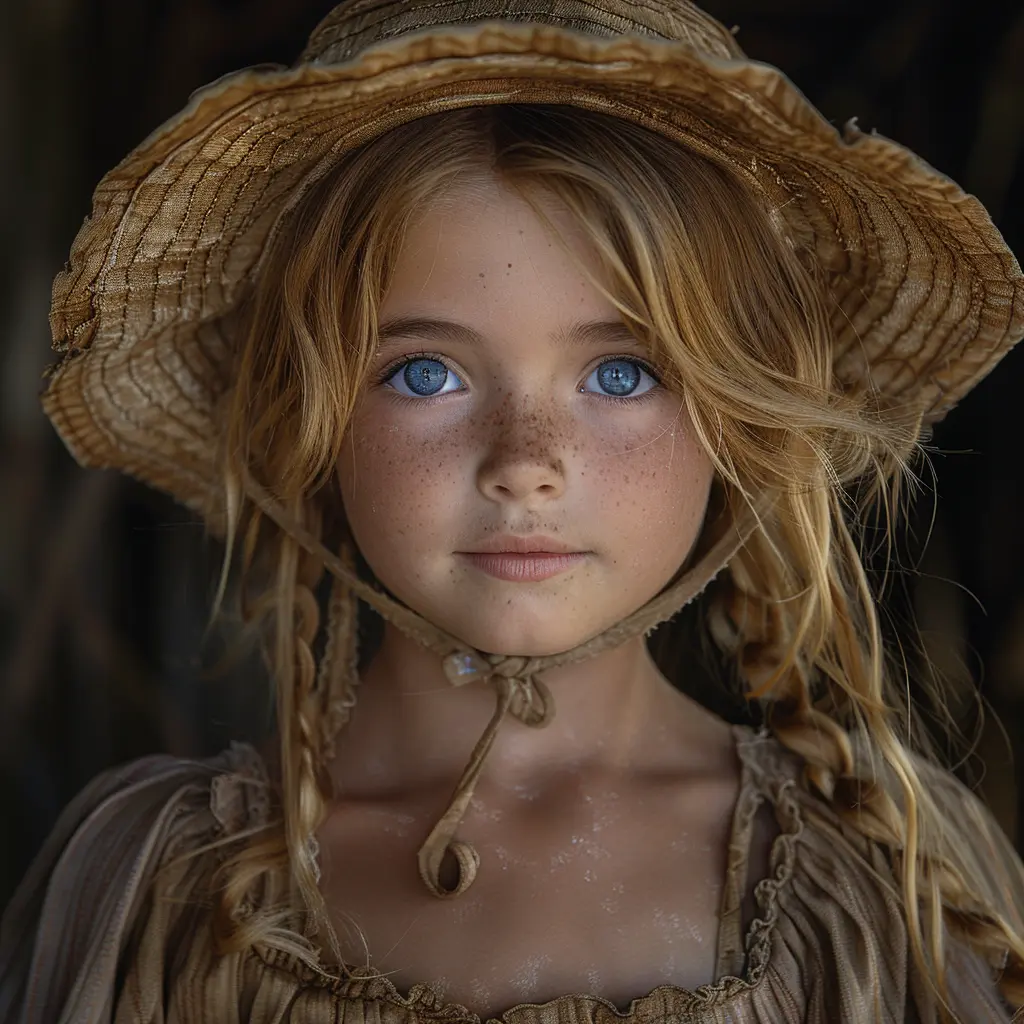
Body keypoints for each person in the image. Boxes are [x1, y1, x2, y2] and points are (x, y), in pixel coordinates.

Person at [2, 1, 1024, 1021]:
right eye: (427, 374)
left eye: (621, 373)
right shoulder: (151, 886)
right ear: (304, 419)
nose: (525, 465)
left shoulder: (890, 884)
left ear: (741, 418)